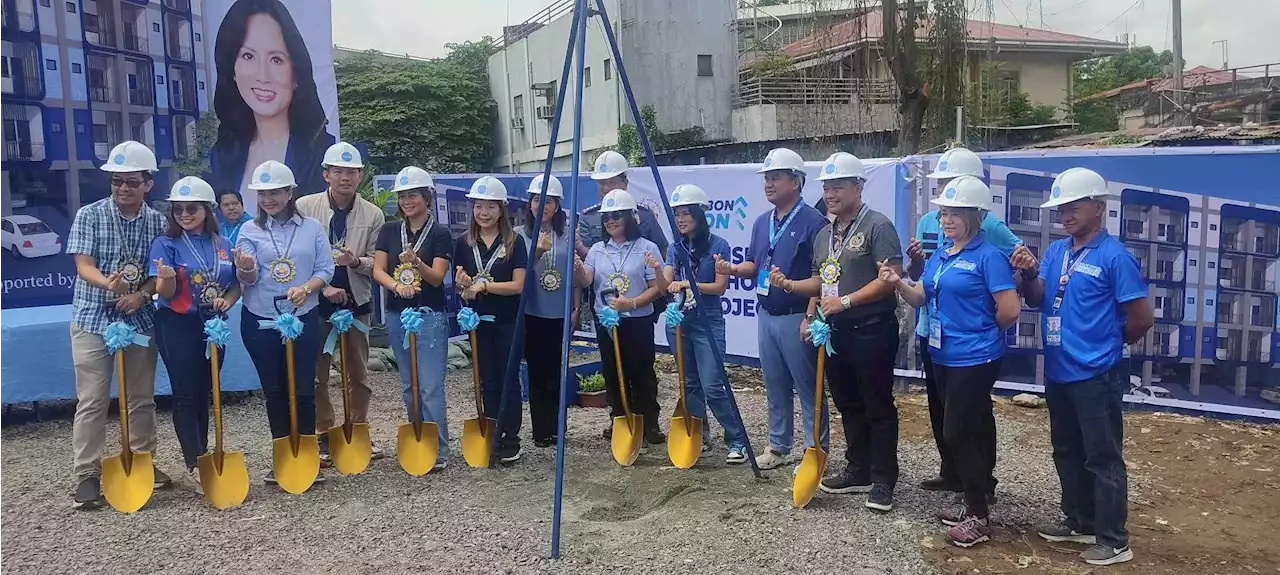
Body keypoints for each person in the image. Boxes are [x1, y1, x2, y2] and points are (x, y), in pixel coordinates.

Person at [1012, 167, 1152, 567]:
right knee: (1067, 451)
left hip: (1096, 373)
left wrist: (1109, 344)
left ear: (1099, 207)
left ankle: (1114, 539)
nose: (1066, 214)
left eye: (1074, 206)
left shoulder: (1115, 257)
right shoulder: (1057, 251)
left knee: (1103, 457)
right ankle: (1079, 520)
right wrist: (1030, 275)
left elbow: (1141, 318)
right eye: (1061, 208)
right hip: (1059, 370)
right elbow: (1039, 299)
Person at [880, 176, 1020, 546]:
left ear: (975, 216)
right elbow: (918, 298)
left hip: (975, 357)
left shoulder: (989, 256)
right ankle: (972, 503)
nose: (946, 220)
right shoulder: (942, 254)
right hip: (943, 353)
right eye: (944, 213)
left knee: (960, 430)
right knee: (953, 428)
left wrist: (981, 332)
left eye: (955, 214)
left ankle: (978, 515)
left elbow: (1009, 310)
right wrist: (896, 281)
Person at [769, 152, 903, 511]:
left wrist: (845, 302)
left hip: (872, 328)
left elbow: (888, 280)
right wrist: (791, 287)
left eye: (838, 186)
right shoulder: (825, 234)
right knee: (847, 402)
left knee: (877, 404)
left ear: (858, 187)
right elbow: (820, 281)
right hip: (836, 332)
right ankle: (858, 469)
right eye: (826, 187)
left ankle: (884, 478)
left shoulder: (877, 226)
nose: (830, 193)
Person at [909, 147, 1021, 495]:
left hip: (971, 342)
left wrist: (985, 320)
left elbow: (1016, 264)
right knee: (941, 408)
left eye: (951, 183)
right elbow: (925, 278)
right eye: (941, 184)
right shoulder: (931, 222)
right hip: (934, 329)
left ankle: (980, 481)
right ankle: (952, 471)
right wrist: (908, 272)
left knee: (972, 414)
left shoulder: (991, 228)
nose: (944, 190)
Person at [66, 141, 170, 509]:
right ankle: (87, 475)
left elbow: (159, 276)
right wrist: (106, 283)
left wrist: (141, 295)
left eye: (130, 182)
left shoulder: (159, 222)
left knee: (141, 399)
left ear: (148, 184)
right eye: (116, 182)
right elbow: (84, 265)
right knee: (93, 399)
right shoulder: (89, 215)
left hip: (139, 318)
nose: (123, 188)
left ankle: (142, 461)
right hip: (93, 318)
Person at [715, 147, 829, 470]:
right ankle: (779, 446)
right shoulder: (762, 221)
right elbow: (756, 263)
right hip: (766, 314)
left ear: (796, 182)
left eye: (775, 177)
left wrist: (810, 315)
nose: (768, 184)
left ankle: (814, 451)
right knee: (775, 384)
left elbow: (821, 274)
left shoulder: (814, 222)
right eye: (766, 178)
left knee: (808, 387)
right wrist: (732, 268)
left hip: (797, 316)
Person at [233, 160, 335, 487]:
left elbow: (325, 269)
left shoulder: (312, 228)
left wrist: (306, 288)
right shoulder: (249, 230)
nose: (268, 199)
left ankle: (307, 457)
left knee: (303, 389)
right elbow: (245, 279)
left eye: (275, 192)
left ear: (290, 192)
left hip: (303, 318)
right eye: (263, 194)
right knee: (275, 391)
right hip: (260, 321)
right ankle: (281, 459)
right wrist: (246, 268)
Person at [148, 176, 242, 494]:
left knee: (207, 390)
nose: (184, 214)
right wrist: (166, 278)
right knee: (186, 393)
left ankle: (205, 455)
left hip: (213, 323)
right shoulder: (166, 244)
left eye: (192, 208)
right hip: (177, 323)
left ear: (207, 209)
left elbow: (235, 284)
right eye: (178, 209)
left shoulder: (223, 244)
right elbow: (166, 293)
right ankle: (194, 462)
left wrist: (226, 301)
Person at [296, 142, 386, 463]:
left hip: (356, 302)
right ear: (326, 175)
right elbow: (297, 256)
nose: (345, 177)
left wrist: (355, 261)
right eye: (338, 171)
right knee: (317, 376)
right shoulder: (305, 207)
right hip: (316, 305)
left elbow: (377, 261)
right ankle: (323, 433)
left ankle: (357, 429)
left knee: (359, 375)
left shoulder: (373, 214)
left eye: (351, 172)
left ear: (360, 176)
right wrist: (321, 289)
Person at [576, 151, 670, 441]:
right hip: (608, 321)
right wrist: (576, 265)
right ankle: (619, 417)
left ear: (631, 217)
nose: (610, 221)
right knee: (613, 371)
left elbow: (657, 286)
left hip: (638, 319)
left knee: (641, 370)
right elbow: (587, 279)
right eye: (607, 217)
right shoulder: (597, 250)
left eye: (617, 216)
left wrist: (631, 303)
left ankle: (648, 422)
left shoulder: (647, 246)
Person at [208, 0, 335, 208]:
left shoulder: (322, 154)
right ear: (232, 68)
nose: (263, 75)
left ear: (296, 73)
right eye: (248, 56)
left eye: (276, 60)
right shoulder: (222, 155)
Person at [662, 184, 749, 464]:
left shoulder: (718, 244)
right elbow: (666, 283)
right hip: (678, 319)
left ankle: (737, 439)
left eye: (686, 213)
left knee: (713, 384)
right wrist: (658, 270)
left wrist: (691, 284)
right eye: (676, 215)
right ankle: (701, 436)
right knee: (689, 384)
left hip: (707, 321)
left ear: (700, 214)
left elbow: (720, 287)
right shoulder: (675, 247)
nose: (681, 219)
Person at [374, 166, 452, 470]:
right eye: (403, 196)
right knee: (409, 384)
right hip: (397, 314)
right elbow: (378, 269)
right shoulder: (390, 231)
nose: (407, 201)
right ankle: (418, 440)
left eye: (413, 195)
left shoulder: (441, 233)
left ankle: (440, 449)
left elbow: (437, 278)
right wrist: (396, 286)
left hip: (429, 315)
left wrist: (416, 262)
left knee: (431, 385)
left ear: (427, 197)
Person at [452, 176, 529, 464]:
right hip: (478, 321)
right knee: (487, 380)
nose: (483, 213)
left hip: (508, 320)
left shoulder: (514, 242)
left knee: (509, 379)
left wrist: (484, 286)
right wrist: (463, 285)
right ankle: (492, 431)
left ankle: (512, 437)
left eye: (490, 207)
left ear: (502, 210)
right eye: (478, 206)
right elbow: (463, 288)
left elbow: (519, 285)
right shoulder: (462, 242)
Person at [516, 175, 585, 448]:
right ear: (530, 204)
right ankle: (540, 429)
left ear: (557, 206)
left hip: (561, 312)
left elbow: (576, 275)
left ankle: (558, 427)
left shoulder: (568, 235)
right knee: (536, 372)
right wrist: (537, 254)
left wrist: (577, 308)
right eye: (537, 199)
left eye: (549, 201)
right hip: (532, 312)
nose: (542, 205)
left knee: (558, 371)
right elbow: (519, 272)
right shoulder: (520, 234)